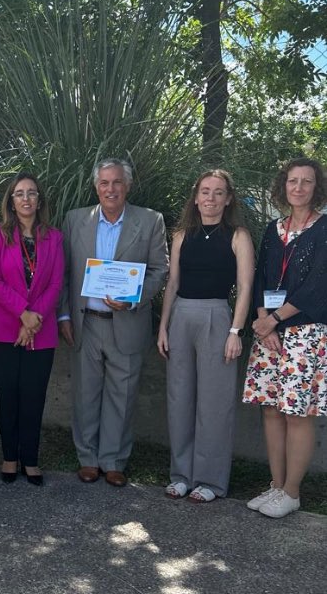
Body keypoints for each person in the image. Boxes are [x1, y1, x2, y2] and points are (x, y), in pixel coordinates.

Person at [58, 158, 168, 486]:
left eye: (117, 182)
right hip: (86, 323)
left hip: (127, 321)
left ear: (127, 186)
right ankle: (88, 458)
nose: (111, 189)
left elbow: (159, 270)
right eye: (104, 183)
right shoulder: (75, 219)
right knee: (86, 393)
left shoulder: (150, 221)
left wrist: (132, 298)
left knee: (123, 394)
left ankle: (114, 460)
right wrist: (64, 314)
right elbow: (63, 272)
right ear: (96, 187)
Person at [157, 170, 254, 501]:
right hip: (182, 316)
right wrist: (163, 326)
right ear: (196, 198)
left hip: (217, 317)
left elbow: (245, 287)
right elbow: (172, 284)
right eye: (205, 191)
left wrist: (235, 331)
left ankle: (210, 480)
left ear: (228, 199)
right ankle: (181, 475)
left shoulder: (238, 236)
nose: (211, 198)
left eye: (218, 192)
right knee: (180, 397)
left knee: (214, 401)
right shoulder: (182, 235)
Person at [242, 157, 327, 518]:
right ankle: (276, 486)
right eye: (293, 181)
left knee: (297, 412)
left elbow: (319, 286)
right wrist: (264, 320)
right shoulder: (272, 228)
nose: (299, 187)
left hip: (305, 332)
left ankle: (292, 492)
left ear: (316, 187)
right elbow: (261, 276)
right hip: (270, 332)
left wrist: (275, 318)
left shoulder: (323, 228)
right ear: (283, 185)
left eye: (307, 181)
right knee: (271, 409)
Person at [0, 173, 64, 486]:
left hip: (41, 330)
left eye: (31, 193)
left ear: (39, 201)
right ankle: (9, 457)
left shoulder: (54, 237)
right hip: (2, 329)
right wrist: (23, 313)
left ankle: (30, 458)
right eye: (19, 193)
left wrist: (33, 318)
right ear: (11, 201)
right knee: (9, 394)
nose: (26, 198)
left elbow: (56, 283)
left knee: (34, 395)